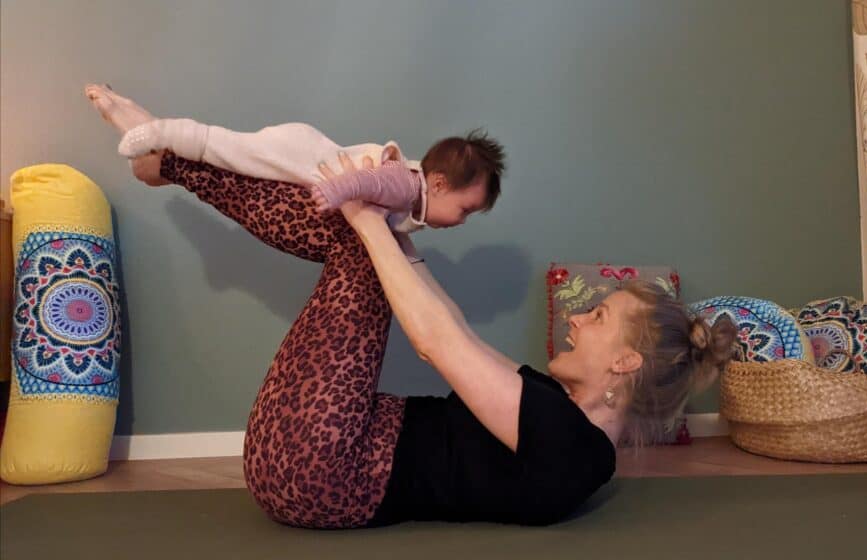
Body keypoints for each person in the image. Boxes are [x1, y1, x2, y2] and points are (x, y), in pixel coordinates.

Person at [90, 93, 737, 528]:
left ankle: (176, 160)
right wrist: (393, 236)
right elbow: (450, 326)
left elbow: (434, 343)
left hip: (320, 466)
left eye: (596, 319)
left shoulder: (571, 446)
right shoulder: (563, 421)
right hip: (331, 447)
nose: (575, 318)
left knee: (353, 233)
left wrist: (365, 218)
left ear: (626, 360)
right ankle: (176, 162)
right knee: (367, 238)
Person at [84, 84, 504, 233]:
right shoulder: (404, 184)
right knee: (223, 148)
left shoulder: (413, 196)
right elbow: (368, 184)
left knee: (215, 162)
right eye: (465, 210)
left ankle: (137, 121)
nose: (461, 221)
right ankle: (159, 132)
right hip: (300, 155)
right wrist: (335, 191)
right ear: (440, 184)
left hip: (304, 152)